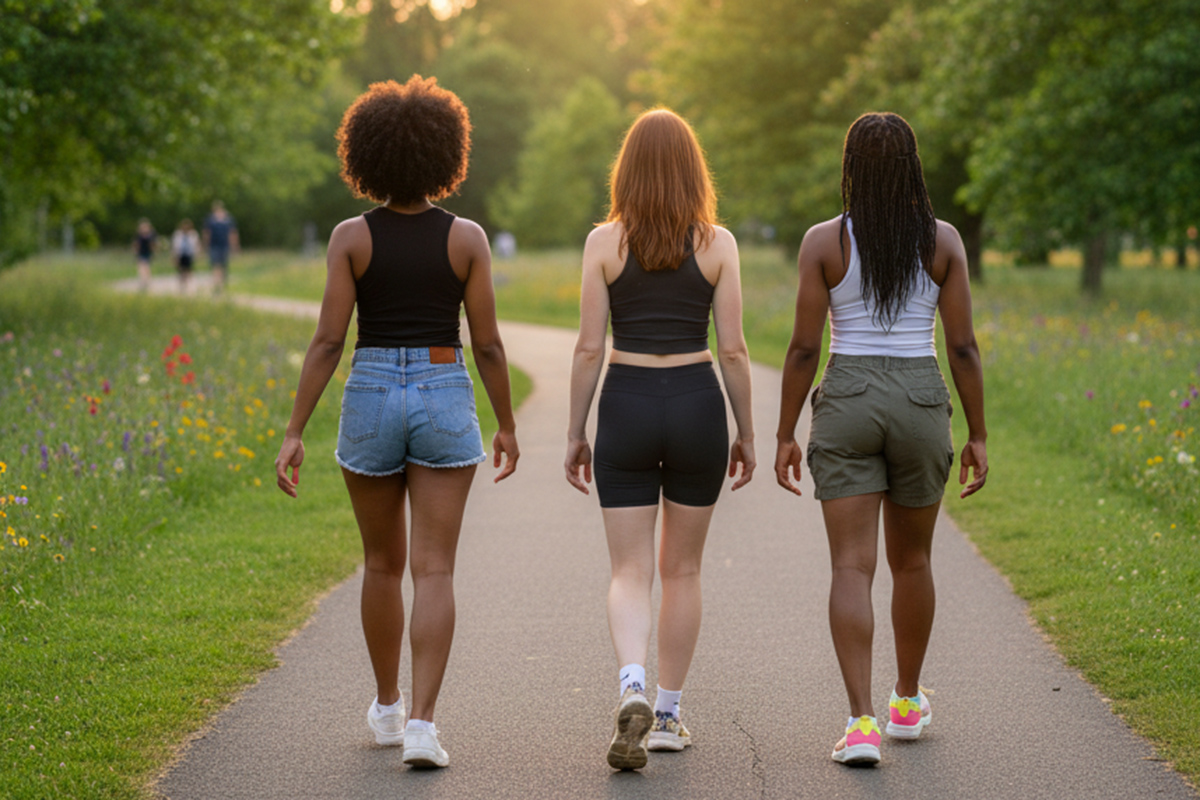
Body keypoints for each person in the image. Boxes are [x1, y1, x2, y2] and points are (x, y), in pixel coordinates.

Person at [273, 75, 520, 769]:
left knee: (382, 565)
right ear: (446, 154)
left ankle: (385, 707)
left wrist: (295, 430)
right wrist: (505, 423)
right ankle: (421, 725)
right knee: (434, 569)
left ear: (368, 155)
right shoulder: (466, 238)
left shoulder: (351, 237)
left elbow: (327, 341)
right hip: (444, 383)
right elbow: (491, 345)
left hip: (373, 386)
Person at [774, 112, 988, 766]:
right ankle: (904, 702)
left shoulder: (824, 242)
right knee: (914, 563)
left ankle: (860, 723)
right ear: (912, 165)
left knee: (851, 567)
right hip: (921, 397)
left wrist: (784, 431)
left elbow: (806, 346)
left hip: (849, 397)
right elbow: (961, 346)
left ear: (851, 167)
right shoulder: (943, 240)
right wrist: (978, 432)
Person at [565, 108, 755, 771]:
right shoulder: (719, 244)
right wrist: (748, 433)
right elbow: (732, 350)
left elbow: (590, 348)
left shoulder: (603, 244)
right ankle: (668, 714)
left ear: (628, 170)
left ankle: (632, 684)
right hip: (699, 401)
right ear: (692, 170)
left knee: (629, 569)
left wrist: (574, 433)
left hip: (626, 402)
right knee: (683, 569)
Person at [203, 200, 239, 294]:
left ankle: (222, 286)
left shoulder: (228, 219)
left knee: (224, 266)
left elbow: (232, 233)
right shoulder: (210, 219)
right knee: (215, 266)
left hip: (224, 245)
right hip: (214, 245)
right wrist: (206, 245)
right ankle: (217, 286)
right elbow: (207, 233)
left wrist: (234, 245)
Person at [171, 218, 200, 295]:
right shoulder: (178, 235)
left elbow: (196, 245)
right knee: (181, 271)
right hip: (181, 255)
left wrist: (197, 254)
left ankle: (189, 287)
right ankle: (181, 287)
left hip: (189, 255)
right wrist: (174, 257)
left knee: (189, 270)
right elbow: (175, 247)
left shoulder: (193, 234)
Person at [133, 218, 157, 292]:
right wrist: (135, 250)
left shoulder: (150, 236)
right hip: (141, 253)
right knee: (141, 267)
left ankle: (146, 281)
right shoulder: (139, 236)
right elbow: (136, 244)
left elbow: (153, 245)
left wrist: (154, 250)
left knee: (146, 267)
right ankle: (143, 281)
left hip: (147, 253)